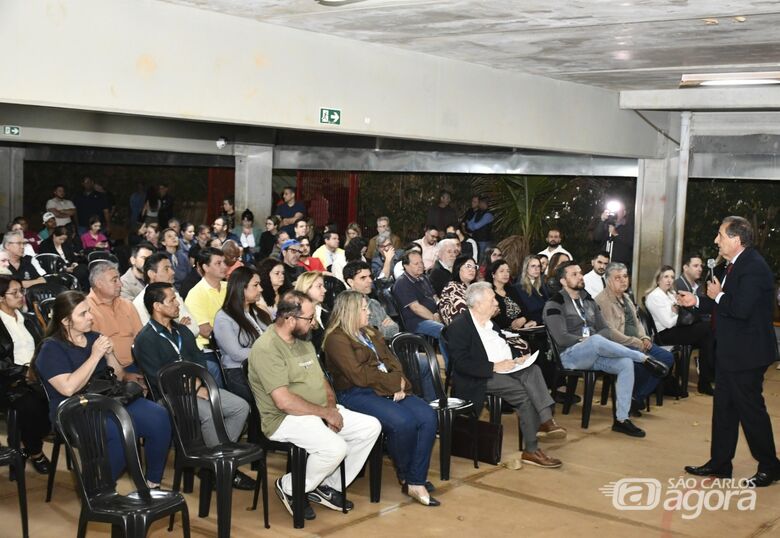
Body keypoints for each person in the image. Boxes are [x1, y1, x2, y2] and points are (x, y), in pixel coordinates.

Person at [248, 290, 382, 520]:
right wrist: (325, 414)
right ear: (290, 319)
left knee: (370, 427)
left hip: (318, 411)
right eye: (310, 319)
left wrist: (330, 409)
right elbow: (283, 401)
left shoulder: (303, 341)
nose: (314, 324)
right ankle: (290, 487)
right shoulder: (266, 348)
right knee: (336, 448)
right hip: (284, 419)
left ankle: (327, 486)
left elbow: (323, 382)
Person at [679, 216, 780, 487]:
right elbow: (719, 302)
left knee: (751, 411)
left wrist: (716, 296)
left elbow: (739, 308)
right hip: (731, 350)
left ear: (736, 239)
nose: (716, 240)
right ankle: (720, 463)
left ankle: (770, 466)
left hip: (747, 354)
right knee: (724, 409)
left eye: (720, 235)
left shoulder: (754, 268)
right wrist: (696, 300)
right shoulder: (733, 266)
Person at [34, 290, 171, 488]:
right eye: (83, 314)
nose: (90, 317)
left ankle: (152, 483)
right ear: (65, 321)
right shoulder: (51, 348)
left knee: (158, 415)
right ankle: (99, 487)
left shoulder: (94, 338)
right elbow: (68, 388)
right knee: (120, 428)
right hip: (74, 409)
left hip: (107, 399)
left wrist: (109, 354)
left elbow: (118, 374)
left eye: (89, 311)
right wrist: (95, 356)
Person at [132, 282, 256, 490]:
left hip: (198, 387)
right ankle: (223, 468)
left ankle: (213, 464)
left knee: (241, 407)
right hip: (170, 396)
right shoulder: (146, 339)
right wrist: (194, 388)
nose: (177, 304)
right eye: (172, 300)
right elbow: (159, 379)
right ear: (157, 306)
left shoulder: (182, 331)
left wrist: (201, 384)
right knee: (208, 414)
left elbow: (199, 360)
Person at [324, 291, 440, 506]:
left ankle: (414, 476)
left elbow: (393, 361)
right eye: (364, 308)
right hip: (355, 394)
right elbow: (358, 376)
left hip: (388, 386)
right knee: (403, 422)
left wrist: (400, 381)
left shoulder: (370, 333)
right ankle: (410, 478)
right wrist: (393, 384)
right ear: (350, 311)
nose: (369, 312)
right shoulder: (336, 339)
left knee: (428, 416)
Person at [543, 262, 669, 438]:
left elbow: (604, 329)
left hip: (595, 352)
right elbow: (560, 337)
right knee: (595, 340)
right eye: (574, 274)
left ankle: (622, 420)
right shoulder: (554, 303)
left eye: (580, 273)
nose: (580, 276)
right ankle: (642, 358)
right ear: (563, 281)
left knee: (625, 364)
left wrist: (594, 340)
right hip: (569, 355)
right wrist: (586, 340)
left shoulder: (587, 300)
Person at [449, 282, 565, 467]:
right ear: (478, 304)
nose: (497, 303)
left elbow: (502, 346)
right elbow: (461, 363)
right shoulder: (459, 326)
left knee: (533, 369)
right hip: (482, 376)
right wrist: (494, 366)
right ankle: (531, 449)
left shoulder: (490, 324)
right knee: (523, 394)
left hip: (509, 367)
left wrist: (517, 359)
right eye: (492, 299)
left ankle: (546, 420)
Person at [596, 263, 675, 416]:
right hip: (618, 345)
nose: (623, 281)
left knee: (667, 358)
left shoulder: (626, 297)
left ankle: (635, 397)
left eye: (625, 276)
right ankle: (633, 398)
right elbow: (610, 332)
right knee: (649, 364)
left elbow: (637, 322)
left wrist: (644, 337)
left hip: (636, 342)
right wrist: (635, 343)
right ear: (608, 280)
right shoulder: (602, 300)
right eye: (617, 278)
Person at [0, 275, 52, 474]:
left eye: (21, 291)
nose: (21, 296)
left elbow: (43, 346)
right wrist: (24, 371)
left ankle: (20, 446)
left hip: (37, 375)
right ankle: (35, 451)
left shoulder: (28, 319)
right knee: (31, 406)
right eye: (14, 293)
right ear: (1, 298)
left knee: (58, 398)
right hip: (9, 381)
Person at [644, 265, 714, 395]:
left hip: (677, 330)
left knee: (707, 334)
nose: (669, 280)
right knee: (707, 329)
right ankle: (705, 381)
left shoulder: (670, 294)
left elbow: (678, 315)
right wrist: (678, 311)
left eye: (671, 277)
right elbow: (668, 323)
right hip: (665, 334)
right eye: (666, 277)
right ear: (658, 279)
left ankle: (704, 380)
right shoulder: (655, 296)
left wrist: (678, 309)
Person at [391, 250, 447, 399]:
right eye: (416, 264)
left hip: (432, 316)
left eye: (421, 262)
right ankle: (450, 366)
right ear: (405, 266)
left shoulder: (423, 278)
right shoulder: (402, 283)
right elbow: (415, 308)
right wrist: (435, 319)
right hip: (416, 322)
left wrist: (441, 312)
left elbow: (435, 297)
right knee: (443, 331)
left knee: (455, 325)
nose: (420, 266)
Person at [213, 267, 271, 403]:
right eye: (255, 285)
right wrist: (269, 352)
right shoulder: (224, 318)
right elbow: (236, 354)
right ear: (241, 288)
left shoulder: (259, 312)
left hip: (264, 367)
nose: (261, 289)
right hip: (239, 372)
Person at [184, 247, 228, 386]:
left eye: (224, 262)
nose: (224, 267)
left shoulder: (229, 287)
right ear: (205, 267)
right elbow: (205, 331)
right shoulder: (196, 294)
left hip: (231, 343)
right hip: (209, 349)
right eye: (218, 263)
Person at [132, 252, 199, 335]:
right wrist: (179, 329)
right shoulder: (139, 303)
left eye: (171, 268)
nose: (172, 272)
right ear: (152, 274)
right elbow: (152, 337)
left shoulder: (174, 295)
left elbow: (195, 329)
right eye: (166, 269)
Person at [342, 261, 399, 340]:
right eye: (363, 278)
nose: (370, 280)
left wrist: (377, 330)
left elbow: (394, 329)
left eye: (370, 276)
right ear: (350, 282)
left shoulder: (374, 303)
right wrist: (381, 329)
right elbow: (362, 336)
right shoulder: (345, 305)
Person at [485, 259, 537, 331]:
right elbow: (494, 318)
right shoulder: (488, 292)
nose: (506, 274)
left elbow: (525, 310)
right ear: (493, 274)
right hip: (502, 332)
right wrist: (512, 324)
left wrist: (524, 319)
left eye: (508, 271)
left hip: (521, 329)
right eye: (502, 271)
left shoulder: (512, 290)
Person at [294, 271, 329, 354]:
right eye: (319, 286)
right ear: (306, 288)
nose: (325, 290)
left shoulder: (325, 309)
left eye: (323, 286)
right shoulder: (298, 316)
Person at [438, 255, 478, 325]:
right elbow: (464, 310)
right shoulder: (452, 287)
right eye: (468, 266)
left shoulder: (475, 288)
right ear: (458, 267)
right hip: (459, 330)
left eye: (474, 267)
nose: (472, 269)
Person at [594, 201, 634, 267]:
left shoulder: (629, 227)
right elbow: (597, 238)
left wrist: (616, 234)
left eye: (618, 210)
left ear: (624, 213)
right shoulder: (606, 224)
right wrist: (602, 221)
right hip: (604, 264)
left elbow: (631, 243)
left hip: (620, 265)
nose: (616, 212)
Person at [514, 255, 549, 325]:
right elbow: (529, 311)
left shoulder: (542, 286)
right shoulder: (519, 287)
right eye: (533, 266)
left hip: (543, 323)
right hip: (529, 326)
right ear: (526, 268)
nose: (536, 269)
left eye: (538, 266)